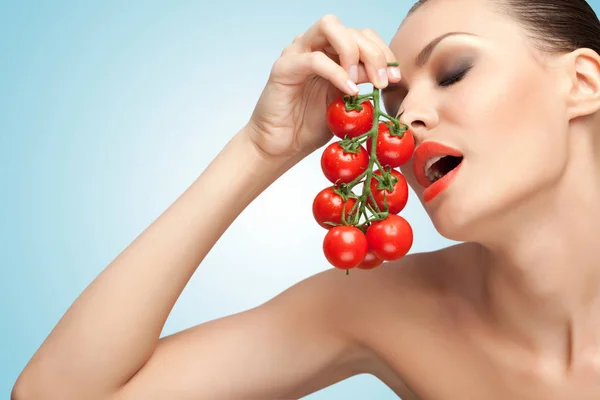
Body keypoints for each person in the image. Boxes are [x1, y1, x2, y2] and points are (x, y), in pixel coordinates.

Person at [11, 0, 600, 398]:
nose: (407, 120)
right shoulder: (382, 305)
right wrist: (261, 148)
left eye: (453, 72)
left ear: (581, 84)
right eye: (392, 105)